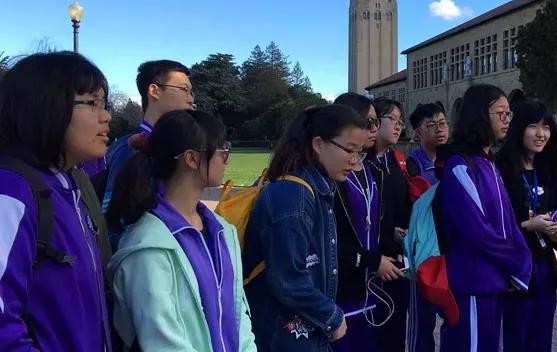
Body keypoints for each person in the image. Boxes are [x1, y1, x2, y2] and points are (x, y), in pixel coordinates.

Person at [106, 109, 256, 351]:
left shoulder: (223, 232)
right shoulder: (147, 249)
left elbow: (239, 316)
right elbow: (163, 342)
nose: (227, 159)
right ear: (191, 159)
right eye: (222, 151)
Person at [0, 52, 113, 350]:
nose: (106, 117)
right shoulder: (11, 191)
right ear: (45, 106)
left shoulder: (71, 186)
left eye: (104, 104)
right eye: (92, 103)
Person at [245, 104, 366, 351]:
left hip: (303, 331)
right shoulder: (292, 195)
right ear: (318, 144)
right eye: (349, 150)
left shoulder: (318, 187)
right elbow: (288, 278)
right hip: (283, 336)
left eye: (359, 153)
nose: (355, 162)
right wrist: (332, 317)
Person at [437, 84, 532, 352]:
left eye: (508, 113)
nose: (507, 120)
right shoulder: (460, 166)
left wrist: (520, 262)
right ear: (478, 115)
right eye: (500, 113)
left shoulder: (489, 163)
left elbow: (508, 223)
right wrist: (517, 262)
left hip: (492, 282)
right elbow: (478, 231)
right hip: (473, 283)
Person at [330, 92, 403, 352]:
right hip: (342, 290)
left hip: (371, 286)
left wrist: (392, 242)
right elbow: (332, 238)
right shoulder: (332, 175)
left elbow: (373, 224)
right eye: (369, 122)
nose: (374, 128)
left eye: (376, 122)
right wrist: (372, 261)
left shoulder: (374, 171)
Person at [496, 99, 557, 352]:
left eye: (546, 127)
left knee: (541, 339)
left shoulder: (549, 169)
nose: (541, 134)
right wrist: (528, 225)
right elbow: (491, 225)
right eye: (533, 126)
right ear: (518, 128)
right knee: (516, 338)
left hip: (544, 269)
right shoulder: (499, 169)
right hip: (513, 270)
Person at [101, 60, 193, 212]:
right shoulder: (129, 149)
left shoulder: (174, 147)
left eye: (191, 92)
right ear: (154, 91)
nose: (191, 99)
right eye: (184, 89)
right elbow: (112, 216)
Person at [366, 97, 411, 352]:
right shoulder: (360, 164)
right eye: (392, 119)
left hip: (397, 263)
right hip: (370, 265)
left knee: (395, 334)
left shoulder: (398, 162)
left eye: (400, 121)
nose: (397, 126)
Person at [406, 102, 450, 352]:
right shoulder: (411, 167)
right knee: (422, 323)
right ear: (417, 132)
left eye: (442, 123)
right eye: (431, 125)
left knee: (453, 317)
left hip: (451, 251)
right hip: (424, 256)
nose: (439, 129)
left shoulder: (455, 161)